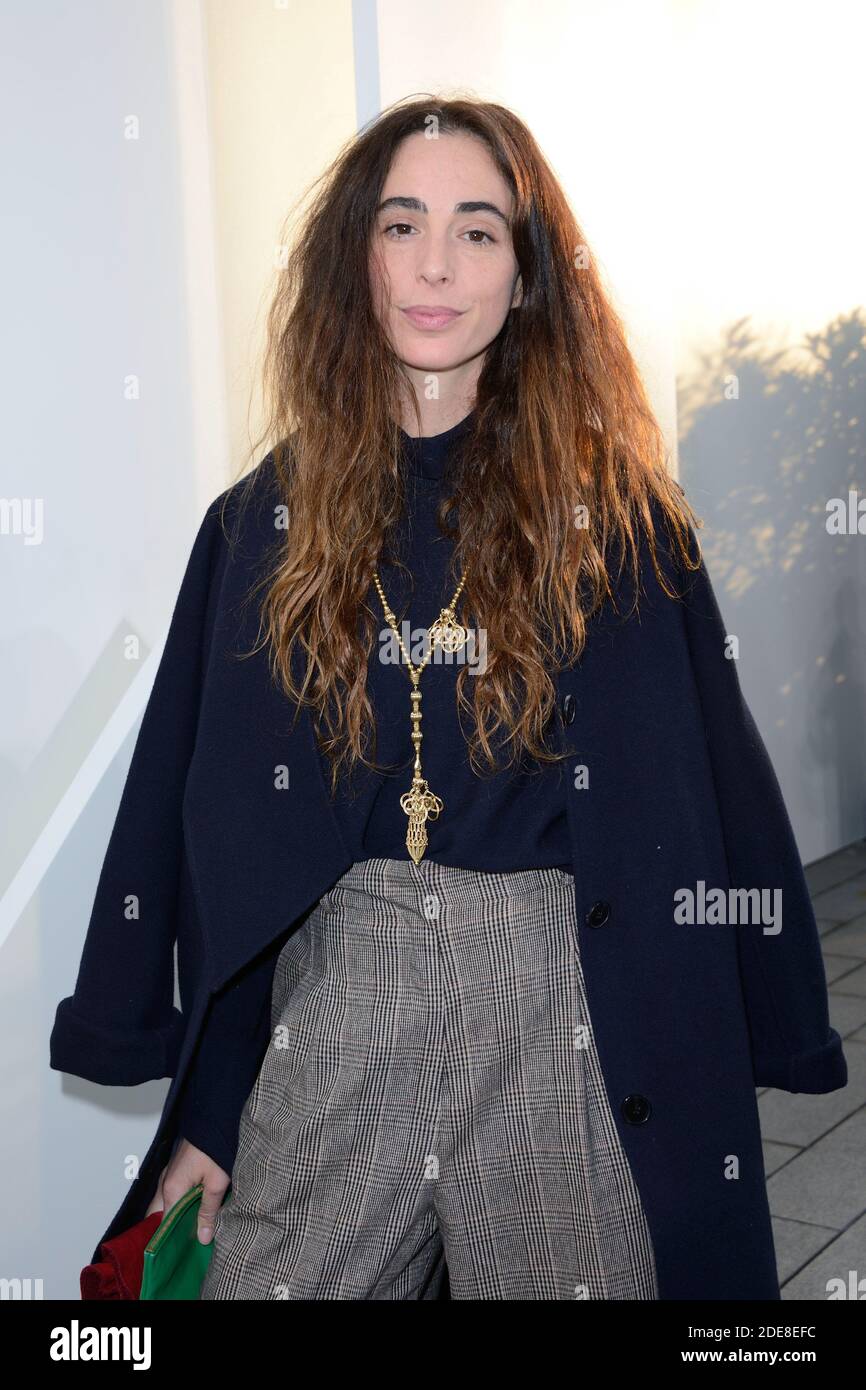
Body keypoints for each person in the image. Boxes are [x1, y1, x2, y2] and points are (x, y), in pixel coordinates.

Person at [51, 95, 846, 1301]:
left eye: (478, 231)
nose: (434, 264)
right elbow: (218, 837)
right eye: (401, 224)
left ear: (527, 277)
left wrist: (761, 1025)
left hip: (549, 1018)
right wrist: (208, 1112)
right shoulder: (261, 526)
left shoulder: (618, 525)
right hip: (339, 1002)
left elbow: (707, 793)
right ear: (351, 260)